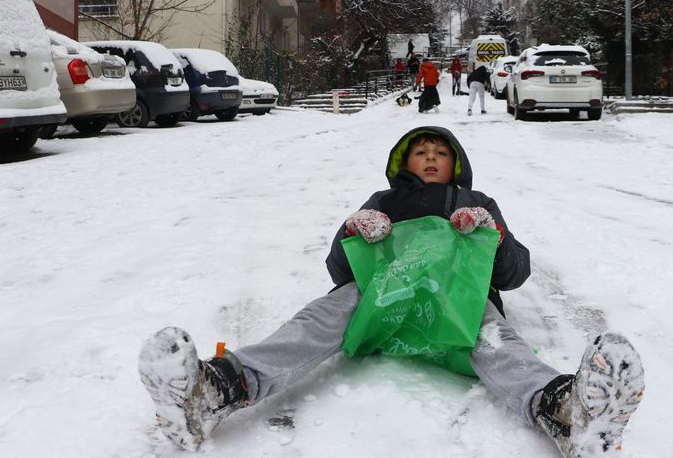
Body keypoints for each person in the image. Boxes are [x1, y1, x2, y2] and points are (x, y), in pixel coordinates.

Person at [137, 126, 646, 458]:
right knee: (318, 319)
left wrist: (492, 236)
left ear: (456, 164)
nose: (430, 158)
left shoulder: (476, 200)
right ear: (405, 161)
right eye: (421, 152)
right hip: (382, 296)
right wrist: (354, 229)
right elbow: (339, 269)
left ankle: (564, 409)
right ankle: (216, 390)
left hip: (458, 302)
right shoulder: (384, 198)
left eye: (440, 153)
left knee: (497, 343)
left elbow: (516, 273)